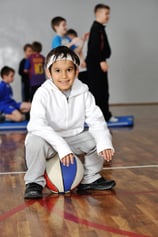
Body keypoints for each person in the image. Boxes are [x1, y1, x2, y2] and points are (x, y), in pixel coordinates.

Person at [24, 46, 116, 199]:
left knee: (99, 139)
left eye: (69, 70)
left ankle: (90, 178)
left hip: (73, 138)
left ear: (77, 71)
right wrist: (61, 146)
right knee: (34, 140)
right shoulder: (43, 93)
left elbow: (96, 121)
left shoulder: (84, 93)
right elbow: (36, 124)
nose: (64, 76)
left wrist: (104, 142)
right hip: (50, 142)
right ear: (49, 72)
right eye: (58, 70)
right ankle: (34, 182)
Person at [86, 4, 117, 122]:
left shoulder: (100, 28)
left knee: (103, 90)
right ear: (98, 14)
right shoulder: (95, 29)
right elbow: (94, 47)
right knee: (98, 91)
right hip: (96, 64)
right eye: (106, 13)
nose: (108, 16)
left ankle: (105, 115)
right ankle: (99, 117)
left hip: (98, 62)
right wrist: (101, 60)